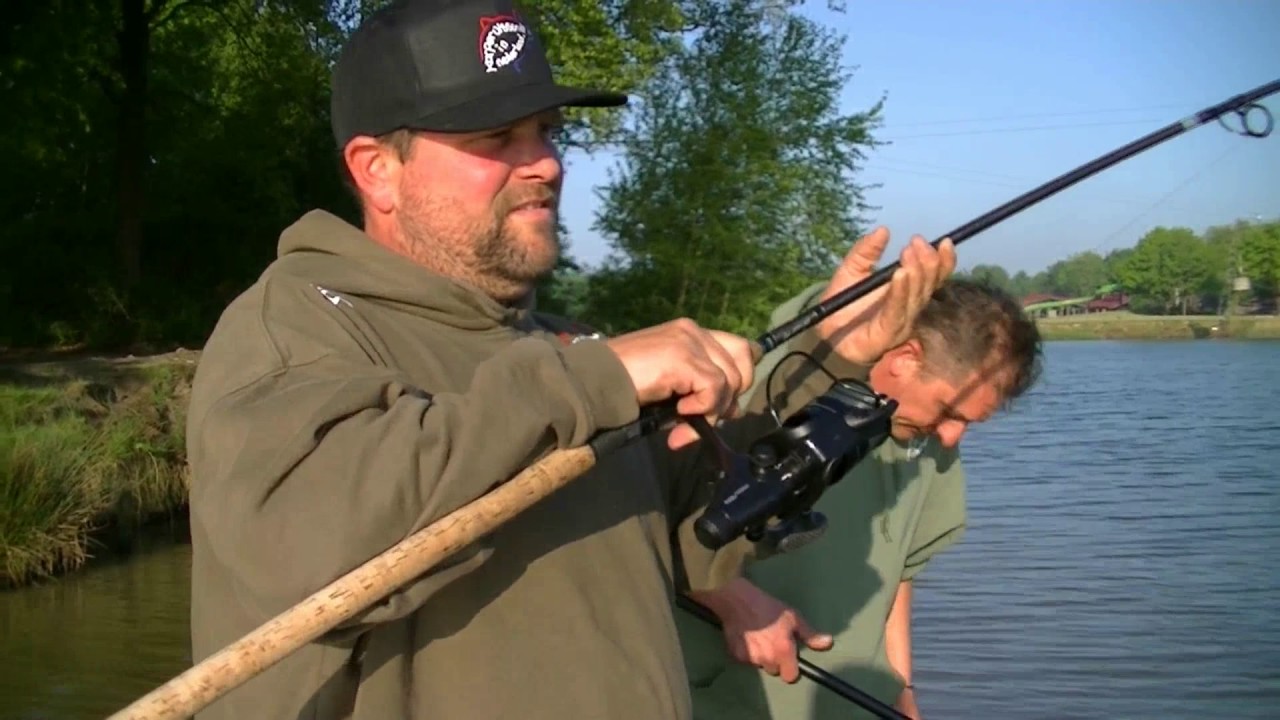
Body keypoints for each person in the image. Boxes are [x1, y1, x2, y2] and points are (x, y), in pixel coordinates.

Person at [182, 1, 957, 719]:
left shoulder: (560, 346)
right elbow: (311, 546)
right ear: (377, 168)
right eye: (496, 138)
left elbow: (703, 529)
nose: (546, 164)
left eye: (546, 131)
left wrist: (831, 360)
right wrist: (595, 379)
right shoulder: (296, 327)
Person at [675, 277, 1044, 720]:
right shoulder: (767, 392)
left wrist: (901, 688)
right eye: (949, 412)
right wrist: (733, 601)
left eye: (968, 422)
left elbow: (901, 567)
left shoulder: (928, 438)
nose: (951, 436)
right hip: (726, 701)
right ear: (906, 358)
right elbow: (648, 522)